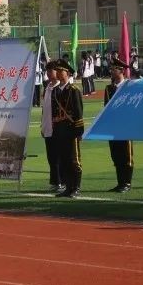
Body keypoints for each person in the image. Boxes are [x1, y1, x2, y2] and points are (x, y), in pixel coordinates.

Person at [51, 61, 84, 197]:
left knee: (73, 160)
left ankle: (76, 187)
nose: (58, 73)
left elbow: (78, 112)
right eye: (57, 71)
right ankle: (68, 187)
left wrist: (78, 131)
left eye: (61, 71)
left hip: (71, 130)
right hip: (60, 130)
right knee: (64, 160)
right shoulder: (55, 90)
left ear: (68, 73)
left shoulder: (74, 91)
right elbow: (54, 112)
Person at [103, 61, 133, 193]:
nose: (111, 71)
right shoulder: (109, 88)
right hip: (113, 127)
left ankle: (126, 182)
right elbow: (106, 108)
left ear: (121, 70)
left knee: (126, 155)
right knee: (116, 155)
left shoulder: (129, 86)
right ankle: (120, 182)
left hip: (125, 126)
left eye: (114, 69)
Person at [40, 62, 60, 193]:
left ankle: (62, 181)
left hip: (58, 129)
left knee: (59, 157)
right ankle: (55, 181)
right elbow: (44, 108)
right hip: (47, 127)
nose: (48, 73)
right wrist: (43, 125)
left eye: (50, 71)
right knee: (51, 157)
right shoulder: (47, 86)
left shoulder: (60, 88)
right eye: (47, 71)